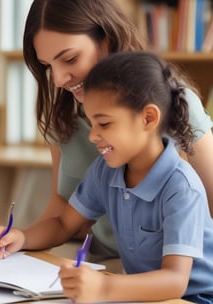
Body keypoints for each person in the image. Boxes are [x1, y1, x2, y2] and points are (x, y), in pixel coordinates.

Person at [0, 51, 213, 303]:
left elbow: (175, 281)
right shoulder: (106, 170)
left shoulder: (181, 187)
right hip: (145, 296)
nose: (93, 137)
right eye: (91, 124)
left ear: (148, 118)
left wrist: (103, 287)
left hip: (195, 298)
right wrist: (22, 237)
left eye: (104, 124)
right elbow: (62, 224)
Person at [21, 0, 213, 262]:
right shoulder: (63, 114)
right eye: (47, 66)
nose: (57, 79)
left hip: (175, 272)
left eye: (70, 59)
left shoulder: (174, 105)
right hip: (103, 264)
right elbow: (63, 208)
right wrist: (20, 239)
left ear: (107, 39)